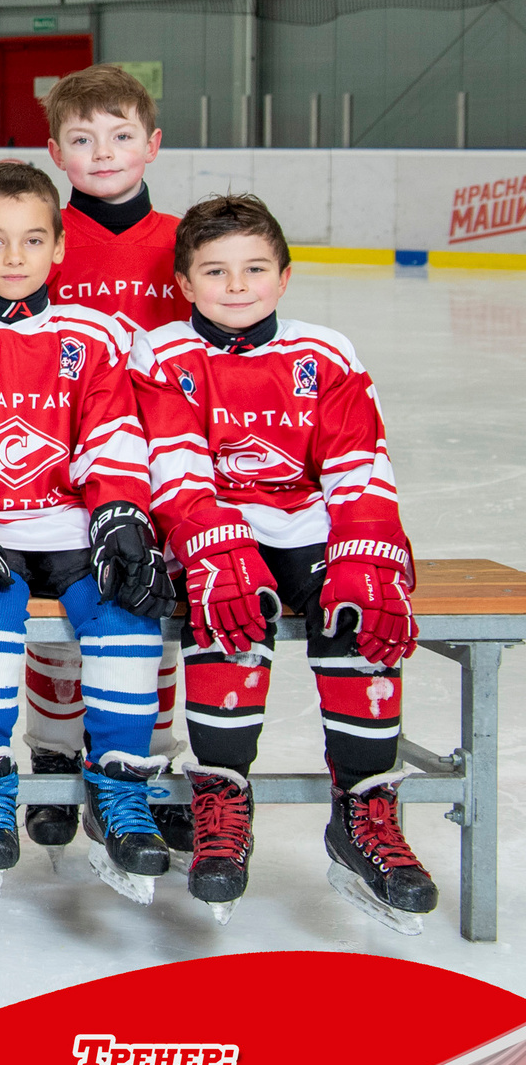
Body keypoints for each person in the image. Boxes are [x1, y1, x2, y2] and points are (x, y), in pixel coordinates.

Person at [0, 162, 183, 899]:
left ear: (58, 249)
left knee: (125, 600)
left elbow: (114, 434)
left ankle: (120, 784)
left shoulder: (95, 335)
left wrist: (118, 509)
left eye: (31, 240)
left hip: (67, 520)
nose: (14, 257)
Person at [133, 194, 434, 927]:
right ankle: (220, 797)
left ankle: (364, 810)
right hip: (212, 526)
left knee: (357, 610)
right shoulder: (164, 352)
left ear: (286, 276)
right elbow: (172, 465)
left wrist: (366, 549)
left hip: (309, 525)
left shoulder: (325, 351)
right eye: (216, 270)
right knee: (227, 608)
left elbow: (359, 464)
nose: (237, 285)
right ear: (184, 281)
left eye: (255, 268)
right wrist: (211, 541)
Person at [24, 65, 189, 849]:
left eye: (122, 135)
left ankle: (146, 763)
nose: (105, 152)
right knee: (57, 622)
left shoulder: (187, 243)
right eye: (84, 139)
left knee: (147, 618)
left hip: (165, 466)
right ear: (56, 150)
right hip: (59, 472)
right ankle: (54, 760)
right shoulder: (38, 238)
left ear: (153, 144)